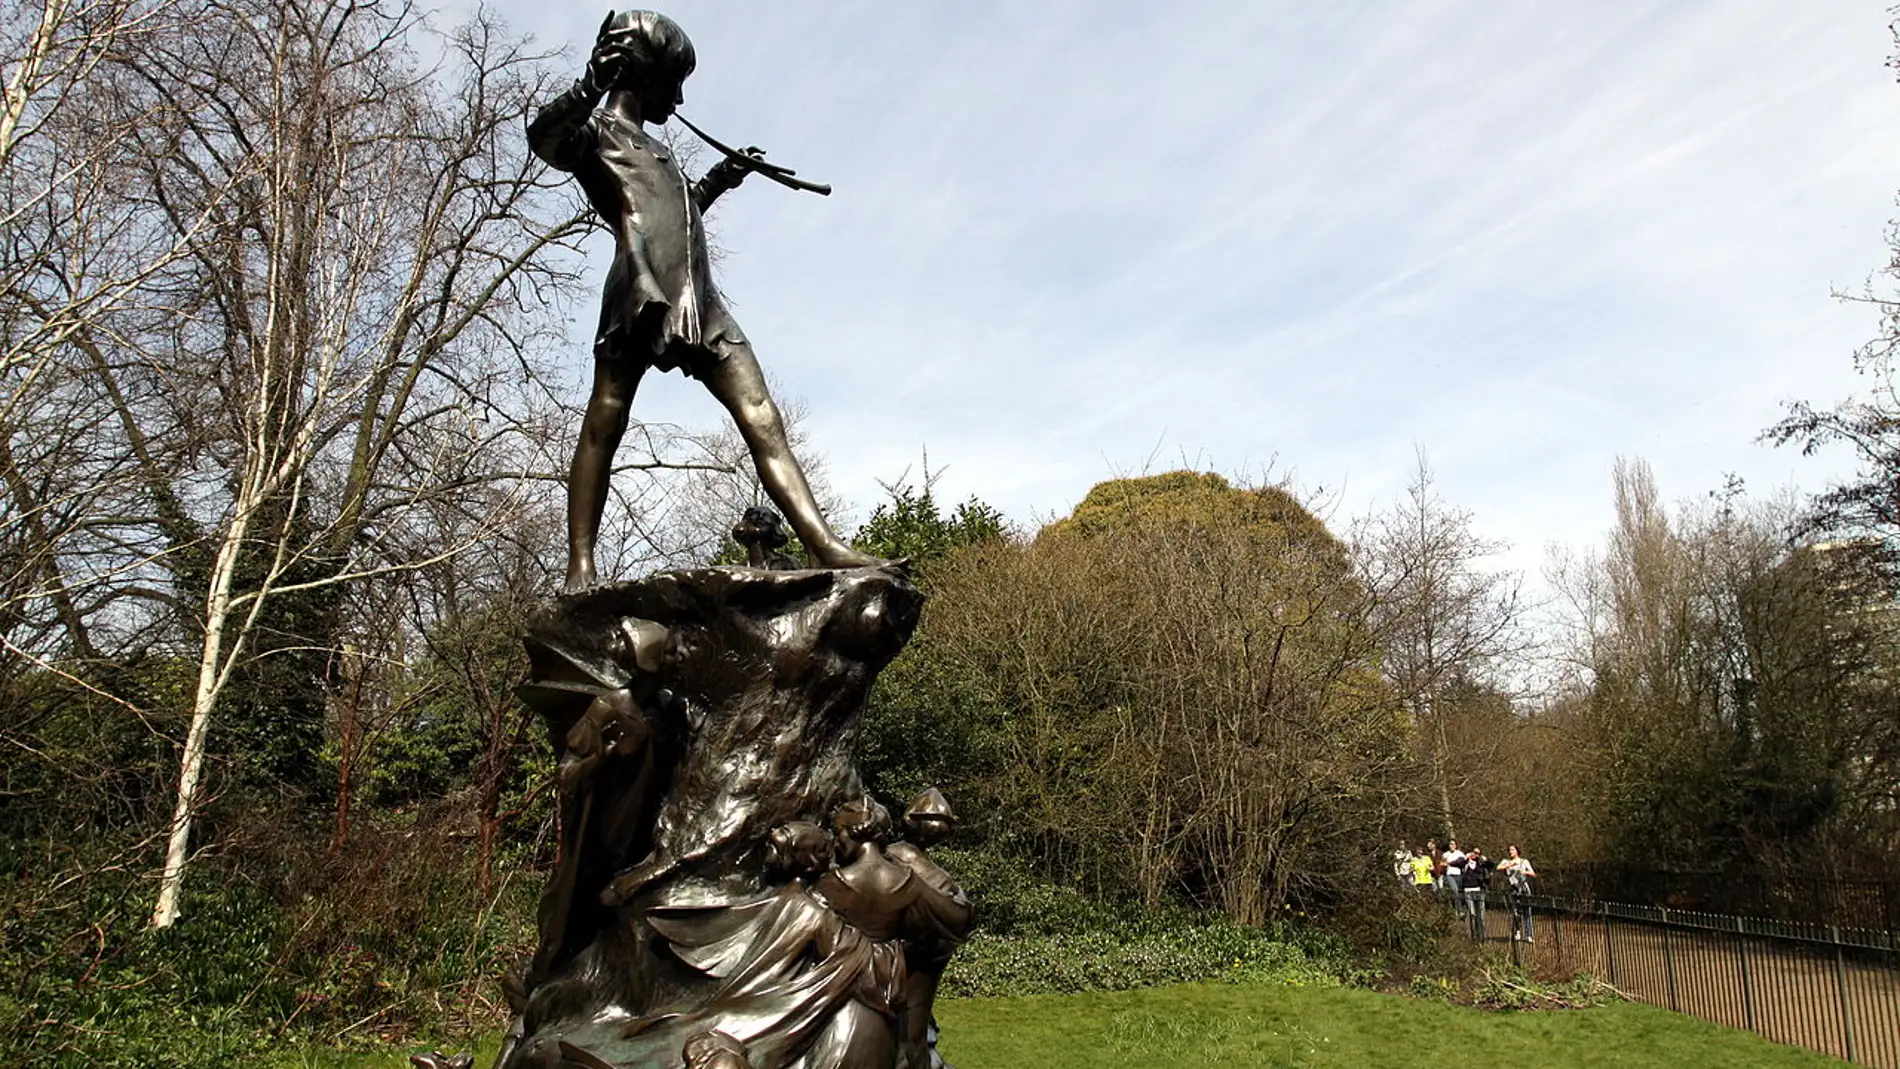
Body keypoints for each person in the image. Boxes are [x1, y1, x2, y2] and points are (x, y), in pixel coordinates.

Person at [527, 10, 881, 592]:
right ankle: (580, 566)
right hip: (640, 290)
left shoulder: (656, 149)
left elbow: (679, 215)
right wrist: (591, 82)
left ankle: (823, 542)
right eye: (675, 79)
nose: (681, 95)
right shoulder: (598, 137)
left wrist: (720, 178)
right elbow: (545, 137)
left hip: (700, 302)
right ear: (643, 74)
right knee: (606, 419)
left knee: (763, 415)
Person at [1498, 844, 1537, 942]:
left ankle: (1529, 934)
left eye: (1512, 850)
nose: (1510, 852)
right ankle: (1517, 931)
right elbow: (1498, 867)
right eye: (1509, 850)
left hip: (1524, 888)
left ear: (1517, 851)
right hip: (1513, 888)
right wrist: (1510, 865)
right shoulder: (1506, 861)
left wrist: (1525, 872)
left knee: (1527, 911)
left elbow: (1533, 873)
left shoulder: (1524, 861)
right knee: (1516, 912)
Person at [1460, 847, 1493, 939]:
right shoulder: (1465, 863)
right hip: (1468, 890)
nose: (1475, 854)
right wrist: (1466, 859)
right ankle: (1474, 935)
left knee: (1481, 915)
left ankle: (1481, 935)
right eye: (1474, 852)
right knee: (1472, 913)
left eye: (1477, 853)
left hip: (1479, 889)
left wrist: (1486, 860)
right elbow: (1458, 865)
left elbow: (1492, 866)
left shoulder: (1480, 863)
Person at [1440, 839, 1466, 913]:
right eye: (1450, 844)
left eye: (1453, 844)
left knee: (1458, 893)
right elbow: (1442, 864)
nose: (1451, 846)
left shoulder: (1460, 853)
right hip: (1449, 875)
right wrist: (1444, 864)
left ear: (1456, 845)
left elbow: (1460, 862)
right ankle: (1458, 910)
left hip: (1458, 874)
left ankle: (1457, 909)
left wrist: (1450, 863)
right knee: (1454, 891)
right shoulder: (1445, 854)